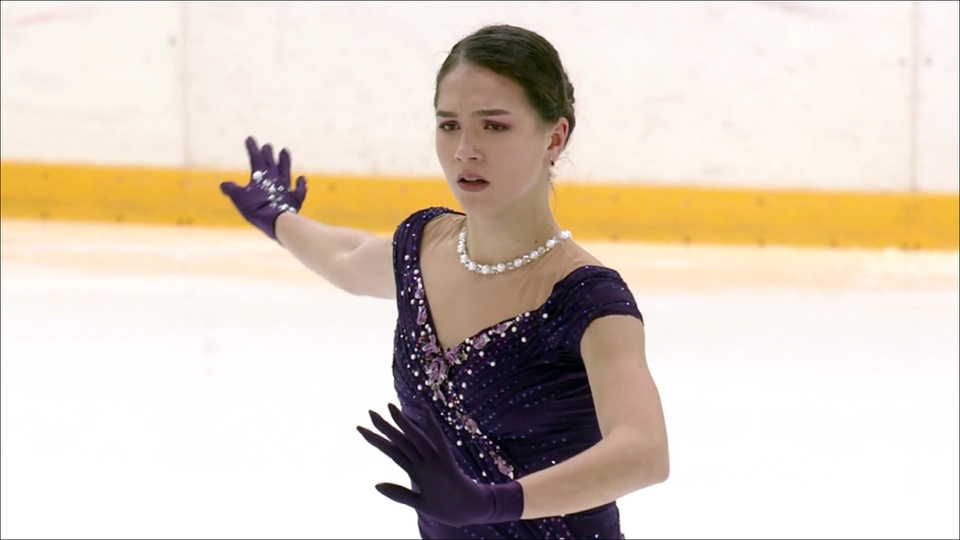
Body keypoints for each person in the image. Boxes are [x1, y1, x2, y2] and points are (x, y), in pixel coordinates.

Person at [220, 24, 669, 540]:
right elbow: (348, 259)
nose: (465, 150)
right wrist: (278, 217)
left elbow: (644, 451)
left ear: (555, 137)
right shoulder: (425, 247)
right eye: (449, 125)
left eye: (494, 126)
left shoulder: (586, 300)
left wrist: (493, 503)